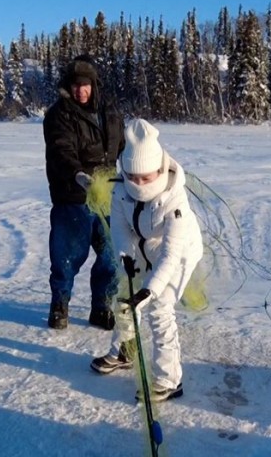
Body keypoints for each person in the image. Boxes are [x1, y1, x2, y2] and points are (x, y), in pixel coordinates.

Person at [90, 119, 203, 402]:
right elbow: (120, 228)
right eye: (133, 177)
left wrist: (149, 290)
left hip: (178, 251)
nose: (139, 184)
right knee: (125, 297)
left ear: (160, 169)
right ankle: (125, 350)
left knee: (159, 308)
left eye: (147, 178)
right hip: (141, 246)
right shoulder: (120, 190)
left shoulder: (175, 200)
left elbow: (171, 255)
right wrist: (125, 257)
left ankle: (168, 380)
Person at [42, 55, 125, 330]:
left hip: (109, 197)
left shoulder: (110, 112)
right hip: (73, 197)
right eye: (76, 85)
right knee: (66, 257)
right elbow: (60, 149)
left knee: (111, 258)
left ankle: (101, 306)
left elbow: (124, 145)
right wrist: (78, 174)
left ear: (94, 84)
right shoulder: (59, 114)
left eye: (85, 85)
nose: (81, 90)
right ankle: (60, 305)